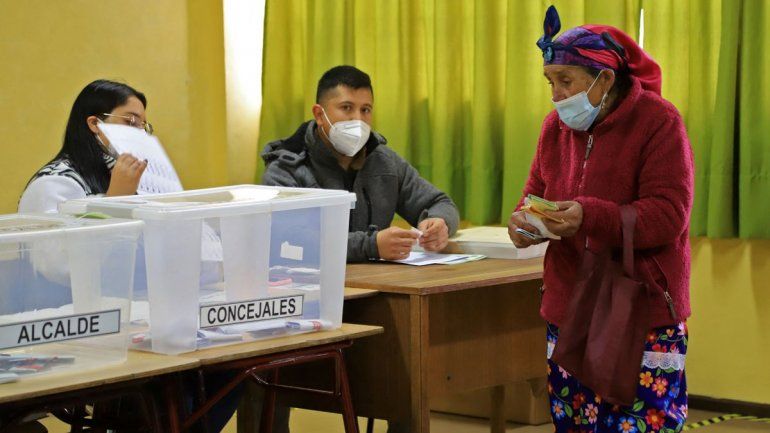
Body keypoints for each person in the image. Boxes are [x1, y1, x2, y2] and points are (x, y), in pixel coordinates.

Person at [507, 6, 694, 433]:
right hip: (570, 308)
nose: (555, 95)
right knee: (573, 423)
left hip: (641, 312)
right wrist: (523, 223)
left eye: (566, 81)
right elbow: (535, 192)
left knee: (639, 424)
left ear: (604, 78)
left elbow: (669, 215)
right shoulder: (553, 128)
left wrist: (589, 216)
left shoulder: (659, 122)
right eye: (549, 81)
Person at [18, 79, 239, 433]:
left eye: (143, 126)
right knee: (173, 390)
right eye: (129, 122)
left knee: (233, 366)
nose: (139, 133)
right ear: (96, 125)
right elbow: (58, 267)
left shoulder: (136, 183)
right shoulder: (56, 183)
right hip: (80, 329)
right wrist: (116, 203)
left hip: (140, 321)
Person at [261, 65, 460, 262]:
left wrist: (440, 224)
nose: (358, 119)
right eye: (346, 107)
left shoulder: (384, 160)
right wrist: (371, 246)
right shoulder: (286, 168)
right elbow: (292, 240)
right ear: (319, 115)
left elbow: (439, 202)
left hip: (382, 285)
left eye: (365, 110)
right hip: (312, 284)